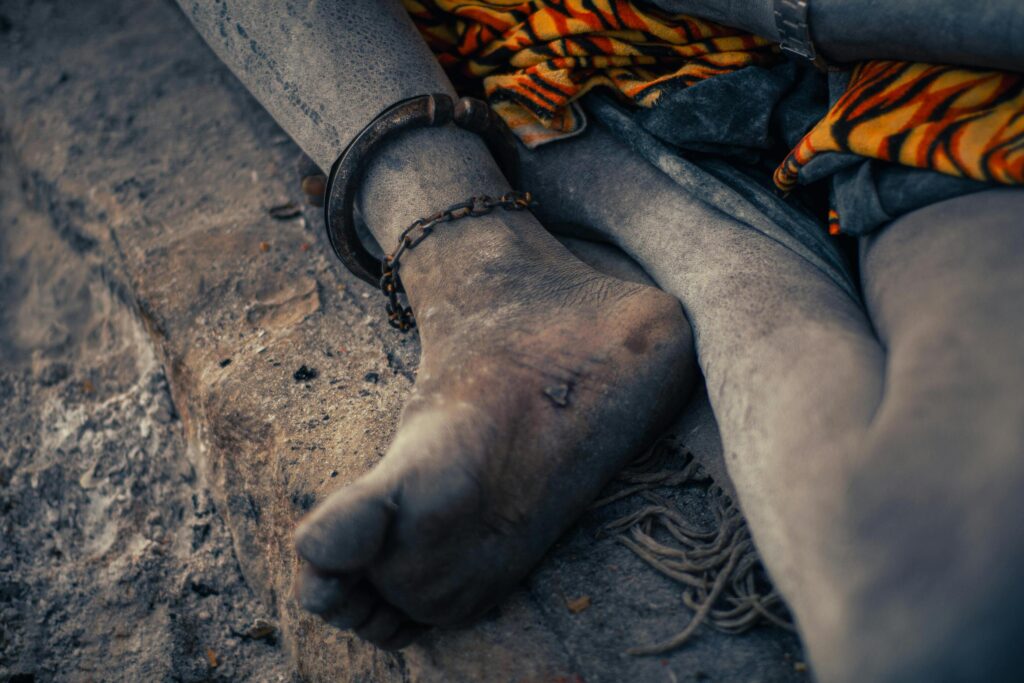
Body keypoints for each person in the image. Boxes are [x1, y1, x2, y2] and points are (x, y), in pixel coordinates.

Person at [177, 1, 1024, 680]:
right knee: (904, 603)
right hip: (584, 66)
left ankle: (695, 254)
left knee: (915, 609)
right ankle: (485, 265)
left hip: (944, 97)